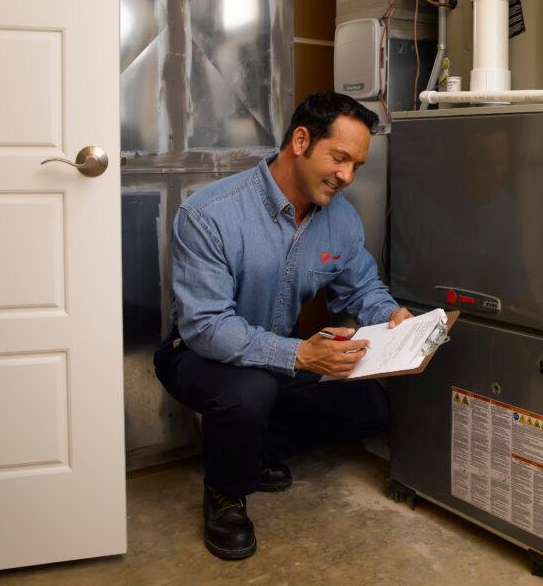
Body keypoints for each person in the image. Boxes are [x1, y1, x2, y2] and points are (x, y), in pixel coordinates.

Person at [154, 91, 412, 561]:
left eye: (357, 165)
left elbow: (360, 290)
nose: (347, 177)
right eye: (339, 158)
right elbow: (206, 327)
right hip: (196, 354)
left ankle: (249, 450)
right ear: (300, 140)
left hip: (280, 356)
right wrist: (299, 354)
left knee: (372, 407)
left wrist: (392, 317)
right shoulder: (210, 213)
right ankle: (227, 493)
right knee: (248, 391)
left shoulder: (341, 220)